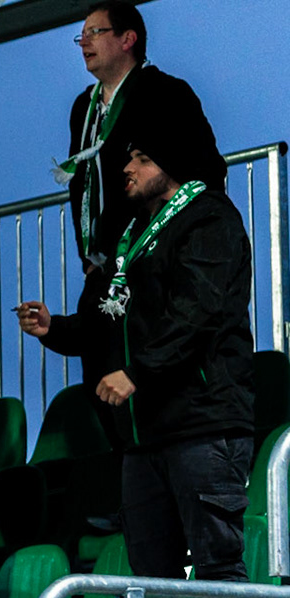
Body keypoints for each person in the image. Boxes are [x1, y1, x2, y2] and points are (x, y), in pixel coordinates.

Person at [20, 125, 253, 598]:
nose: (128, 169)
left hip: (202, 422)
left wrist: (138, 373)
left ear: (173, 163)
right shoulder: (134, 235)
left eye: (143, 159)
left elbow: (200, 312)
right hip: (144, 436)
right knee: (150, 580)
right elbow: (111, 322)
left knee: (218, 565)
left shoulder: (208, 218)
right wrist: (57, 329)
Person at [58, 2, 223, 389]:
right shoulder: (84, 107)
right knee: (102, 382)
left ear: (128, 39)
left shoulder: (166, 93)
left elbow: (206, 172)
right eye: (80, 35)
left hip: (153, 261)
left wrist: (177, 240)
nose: (84, 42)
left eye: (95, 32)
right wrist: (90, 255)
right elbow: (83, 186)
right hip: (104, 269)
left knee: (151, 376)